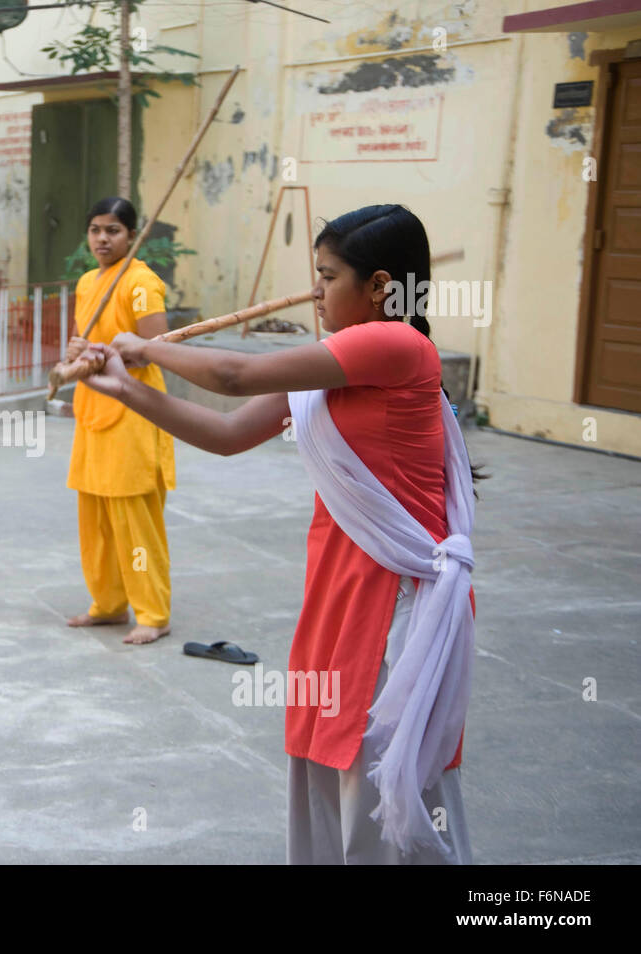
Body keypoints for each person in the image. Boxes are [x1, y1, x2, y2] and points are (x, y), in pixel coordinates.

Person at [81, 204, 476, 864]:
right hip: (339, 589)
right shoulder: (332, 366)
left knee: (383, 778)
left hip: (394, 602)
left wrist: (146, 345)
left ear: (380, 287)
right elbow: (229, 434)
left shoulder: (397, 345)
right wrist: (126, 390)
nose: (314, 292)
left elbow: (234, 377)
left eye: (327, 276)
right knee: (326, 759)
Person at [62, 197, 176, 645]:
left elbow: (158, 344)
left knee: (133, 516)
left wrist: (118, 350)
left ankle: (153, 612)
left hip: (134, 408)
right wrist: (78, 352)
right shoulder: (89, 281)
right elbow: (89, 341)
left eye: (112, 231)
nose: (102, 239)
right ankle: (107, 603)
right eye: (95, 230)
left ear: (131, 235)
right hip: (93, 408)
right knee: (95, 515)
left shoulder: (141, 282)